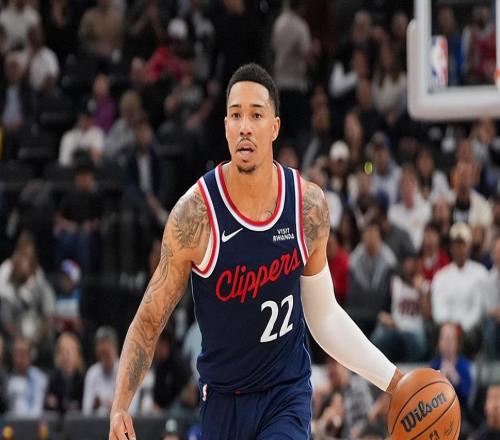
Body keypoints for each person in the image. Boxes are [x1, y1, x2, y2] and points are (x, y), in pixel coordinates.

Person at [109, 63, 402, 440]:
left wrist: (394, 380)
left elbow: (324, 316)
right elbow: (150, 319)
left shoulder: (307, 207)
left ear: (275, 127)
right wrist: (120, 405)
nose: (244, 126)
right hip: (223, 401)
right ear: (226, 126)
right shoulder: (195, 216)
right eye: (236, 115)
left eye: (256, 115)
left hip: (286, 394)